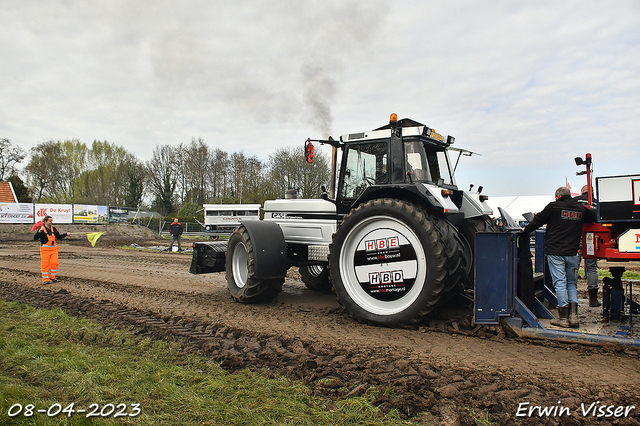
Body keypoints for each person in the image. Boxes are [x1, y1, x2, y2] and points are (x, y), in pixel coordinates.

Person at [523, 187, 596, 328]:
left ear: (557, 196)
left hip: (555, 251)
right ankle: (574, 316)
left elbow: (537, 221)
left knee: (560, 282)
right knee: (571, 283)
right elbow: (592, 216)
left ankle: (563, 318)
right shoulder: (580, 208)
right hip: (573, 251)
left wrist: (525, 231)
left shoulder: (553, 207)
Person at [574, 184, 601, 307]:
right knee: (591, 267)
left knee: (574, 266)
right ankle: (593, 299)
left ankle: (572, 299)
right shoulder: (598, 203)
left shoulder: (575, 201)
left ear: (582, 191)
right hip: (592, 238)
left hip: (577, 235)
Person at [33, 215, 70, 284]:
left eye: (51, 221)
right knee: (45, 264)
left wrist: (66, 234)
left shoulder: (53, 229)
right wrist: (39, 232)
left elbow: (58, 236)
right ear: (45, 222)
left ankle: (52, 277)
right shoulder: (41, 230)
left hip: (54, 249)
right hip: (45, 250)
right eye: (50, 221)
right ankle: (46, 279)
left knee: (54, 263)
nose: (51, 222)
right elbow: (35, 238)